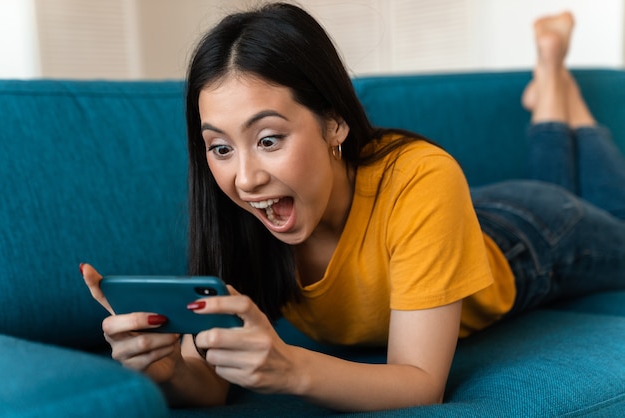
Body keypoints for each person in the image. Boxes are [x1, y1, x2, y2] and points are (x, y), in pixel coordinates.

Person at [81, 4, 625, 412]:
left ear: (335, 122)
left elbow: (420, 382)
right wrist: (168, 367)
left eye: (269, 139)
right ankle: (555, 98)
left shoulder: (423, 175)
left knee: (606, 210)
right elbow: (211, 381)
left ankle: (556, 89)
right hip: (437, 227)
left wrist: (289, 366)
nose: (245, 178)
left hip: (530, 240)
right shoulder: (236, 217)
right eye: (220, 147)